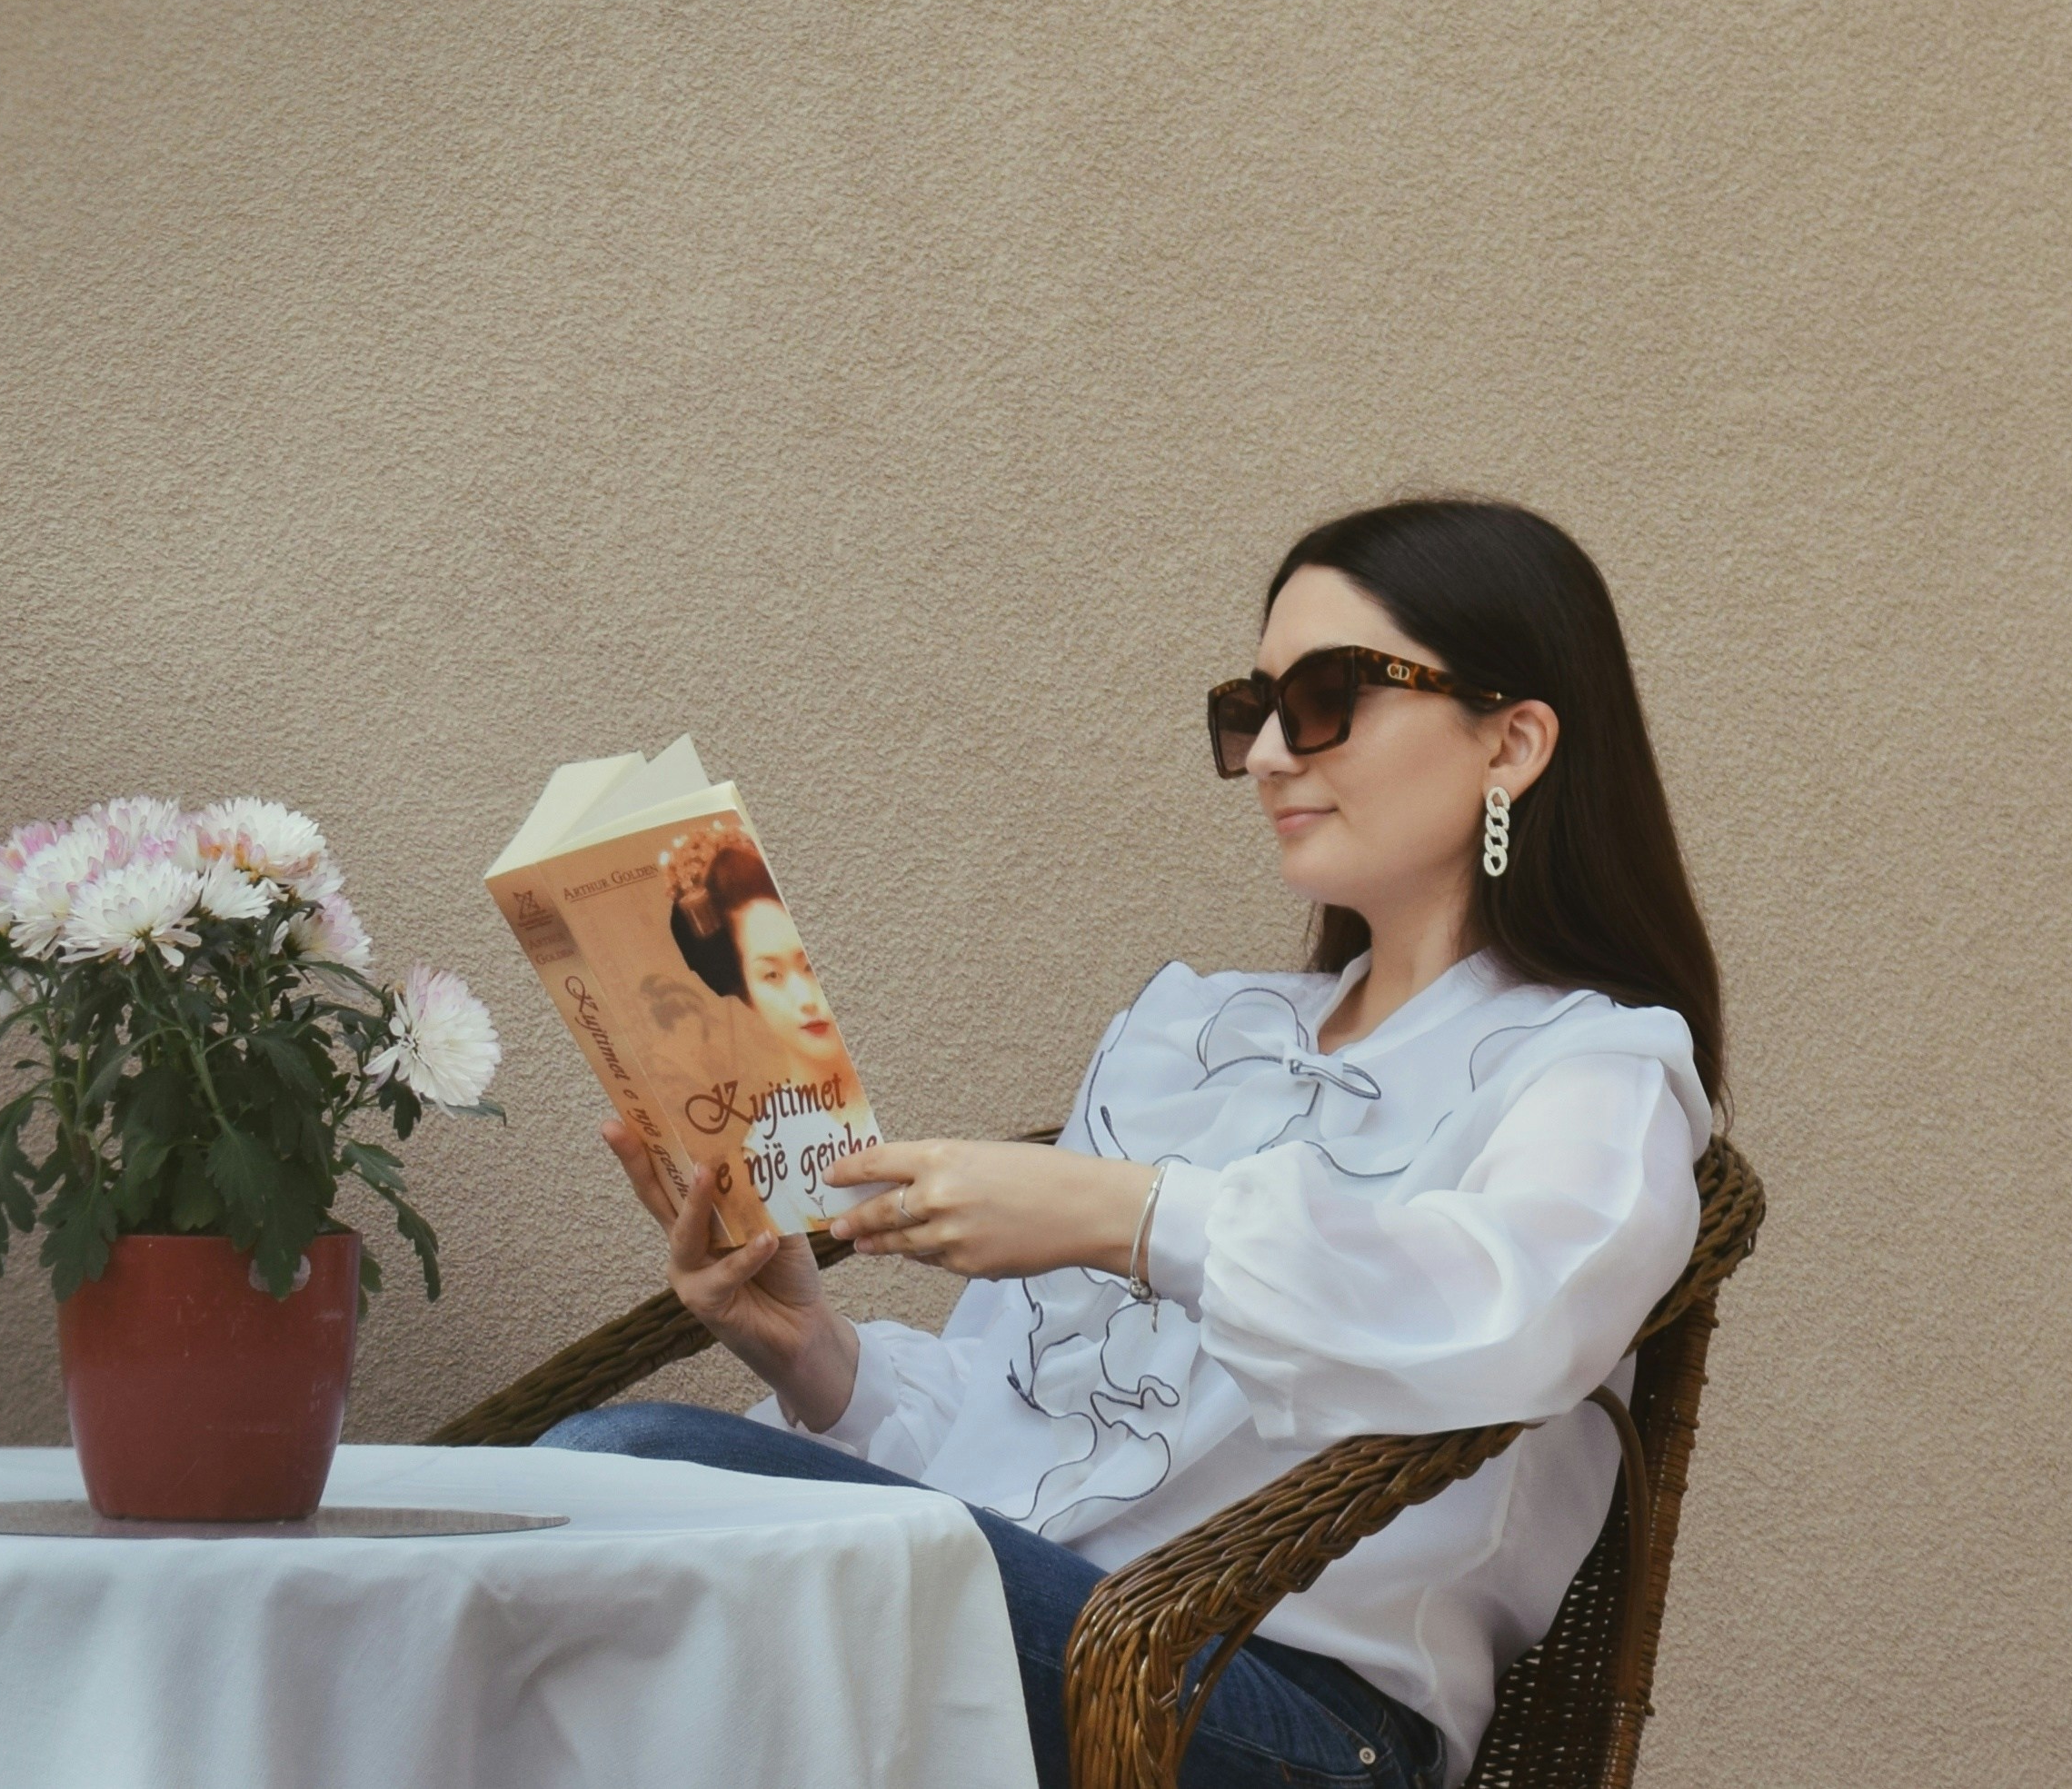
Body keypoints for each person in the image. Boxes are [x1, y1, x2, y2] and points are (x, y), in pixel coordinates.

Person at [543, 498, 1724, 1789]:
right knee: (548, 1520)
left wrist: (1136, 1218)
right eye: (1252, 707)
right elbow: (1029, 1428)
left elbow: (1518, 1314)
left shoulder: (1595, 1068)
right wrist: (814, 1354)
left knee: (615, 1479)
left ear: (1513, 742)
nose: (1269, 752)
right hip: (1041, 1619)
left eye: (1325, 697)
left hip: (1281, 1710)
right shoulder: (1196, 1037)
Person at [662, 818, 855, 1077]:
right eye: (771, 975)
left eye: (811, 966)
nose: (806, 1000)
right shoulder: (768, 1118)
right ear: (746, 992)